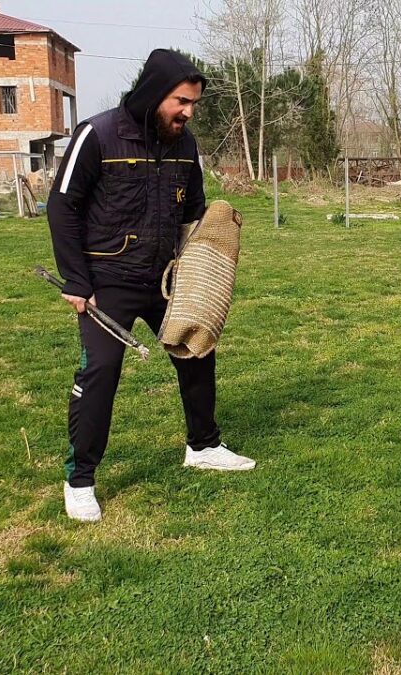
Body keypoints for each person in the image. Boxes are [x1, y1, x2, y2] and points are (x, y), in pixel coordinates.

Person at [48, 49, 255, 523]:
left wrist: (210, 246)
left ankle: (202, 446)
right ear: (153, 93)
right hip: (108, 282)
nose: (189, 112)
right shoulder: (97, 134)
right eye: (182, 101)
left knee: (198, 350)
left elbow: (194, 211)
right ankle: (80, 479)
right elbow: (62, 206)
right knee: (100, 371)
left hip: (166, 280)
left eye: (194, 104)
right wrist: (77, 280)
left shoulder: (186, 145)